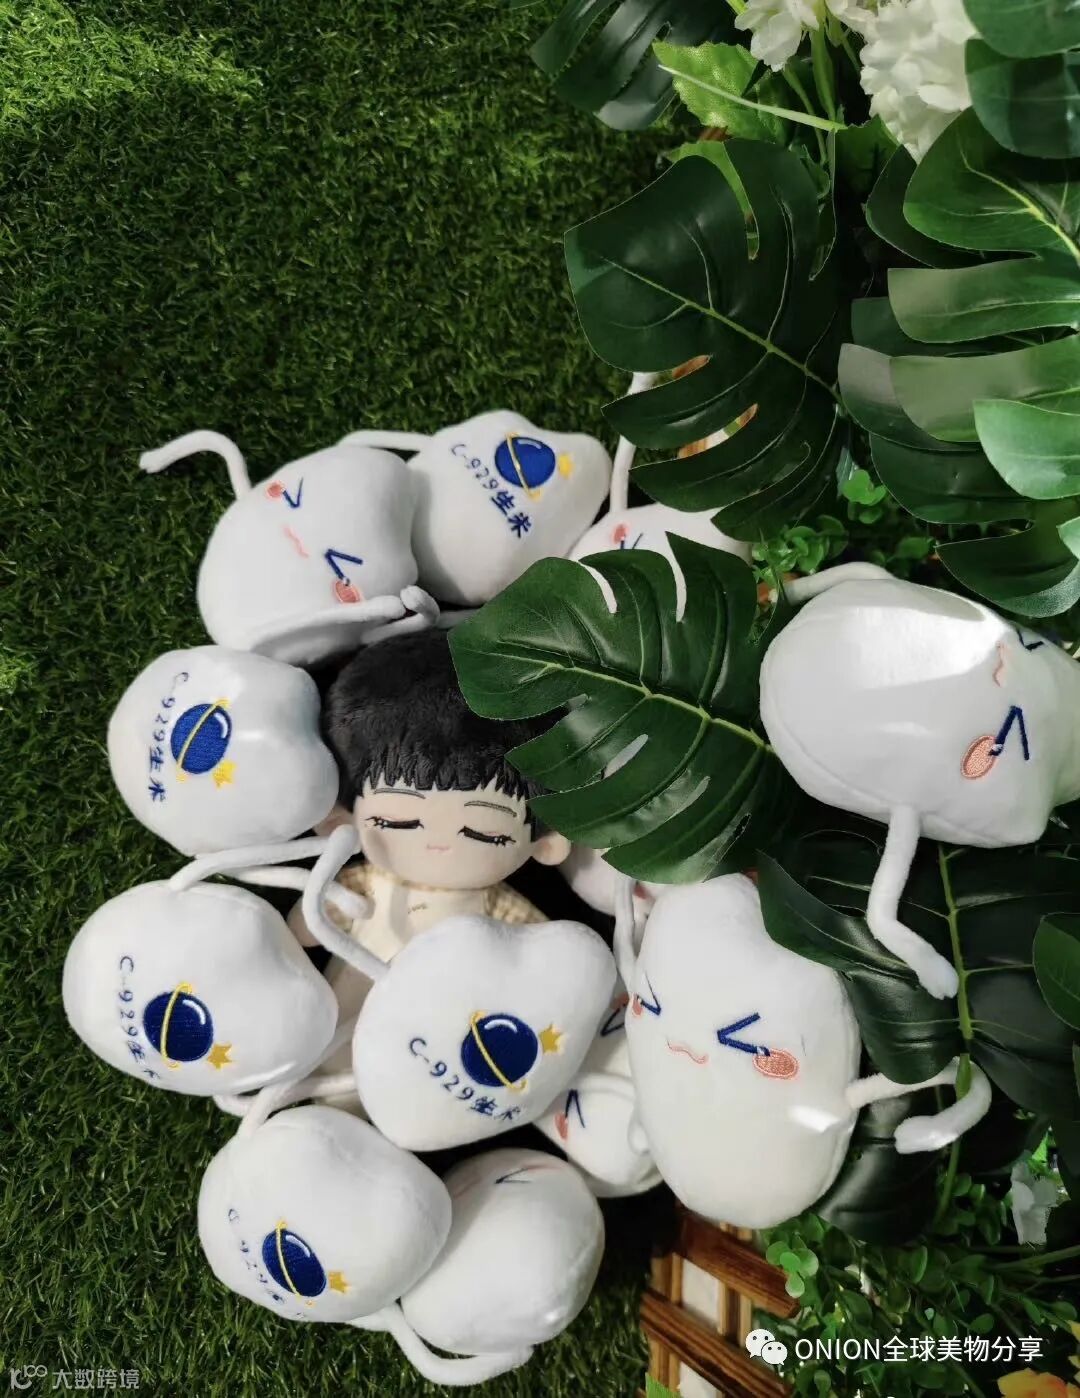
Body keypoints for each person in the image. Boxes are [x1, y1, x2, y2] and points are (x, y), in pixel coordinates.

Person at [289, 629, 571, 1083]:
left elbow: (542, 959)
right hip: (340, 1028)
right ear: (342, 820)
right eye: (401, 822)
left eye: (481, 832)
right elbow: (308, 927)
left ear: (546, 846)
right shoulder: (367, 884)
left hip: (444, 1058)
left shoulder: (497, 909)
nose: (440, 844)